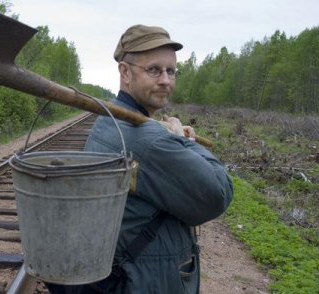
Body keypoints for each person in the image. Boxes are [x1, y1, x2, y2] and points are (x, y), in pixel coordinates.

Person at [46, 24, 233, 294]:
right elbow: (218, 193)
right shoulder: (148, 139)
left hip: (127, 269)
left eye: (171, 71)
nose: (166, 80)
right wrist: (186, 142)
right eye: (154, 70)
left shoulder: (109, 120)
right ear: (125, 72)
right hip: (144, 279)